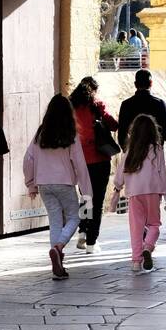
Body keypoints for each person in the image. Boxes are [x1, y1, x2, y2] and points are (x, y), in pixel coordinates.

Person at [23, 94, 92, 280]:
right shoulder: (71, 136)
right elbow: (80, 165)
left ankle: (58, 262)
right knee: (74, 218)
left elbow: (28, 159)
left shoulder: (40, 134)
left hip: (44, 183)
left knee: (54, 221)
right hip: (65, 183)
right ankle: (58, 247)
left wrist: (31, 184)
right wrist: (87, 193)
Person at [110, 114, 166, 272]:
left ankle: (136, 262)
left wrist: (117, 188)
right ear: (153, 131)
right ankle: (148, 247)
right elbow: (162, 173)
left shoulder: (129, 151)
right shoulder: (157, 149)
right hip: (153, 192)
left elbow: (120, 173)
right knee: (154, 225)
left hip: (134, 194)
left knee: (136, 228)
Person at [70, 76, 118, 253]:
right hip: (99, 159)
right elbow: (113, 125)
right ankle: (92, 242)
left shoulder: (70, 108)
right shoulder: (97, 106)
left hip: (80, 161)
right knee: (96, 201)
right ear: (94, 91)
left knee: (86, 198)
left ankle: (82, 233)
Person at [117, 69, 166, 151]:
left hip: (134, 152)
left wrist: (127, 151)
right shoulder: (160, 104)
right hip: (155, 153)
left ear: (135, 84)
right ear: (151, 83)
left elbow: (122, 134)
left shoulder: (126, 105)